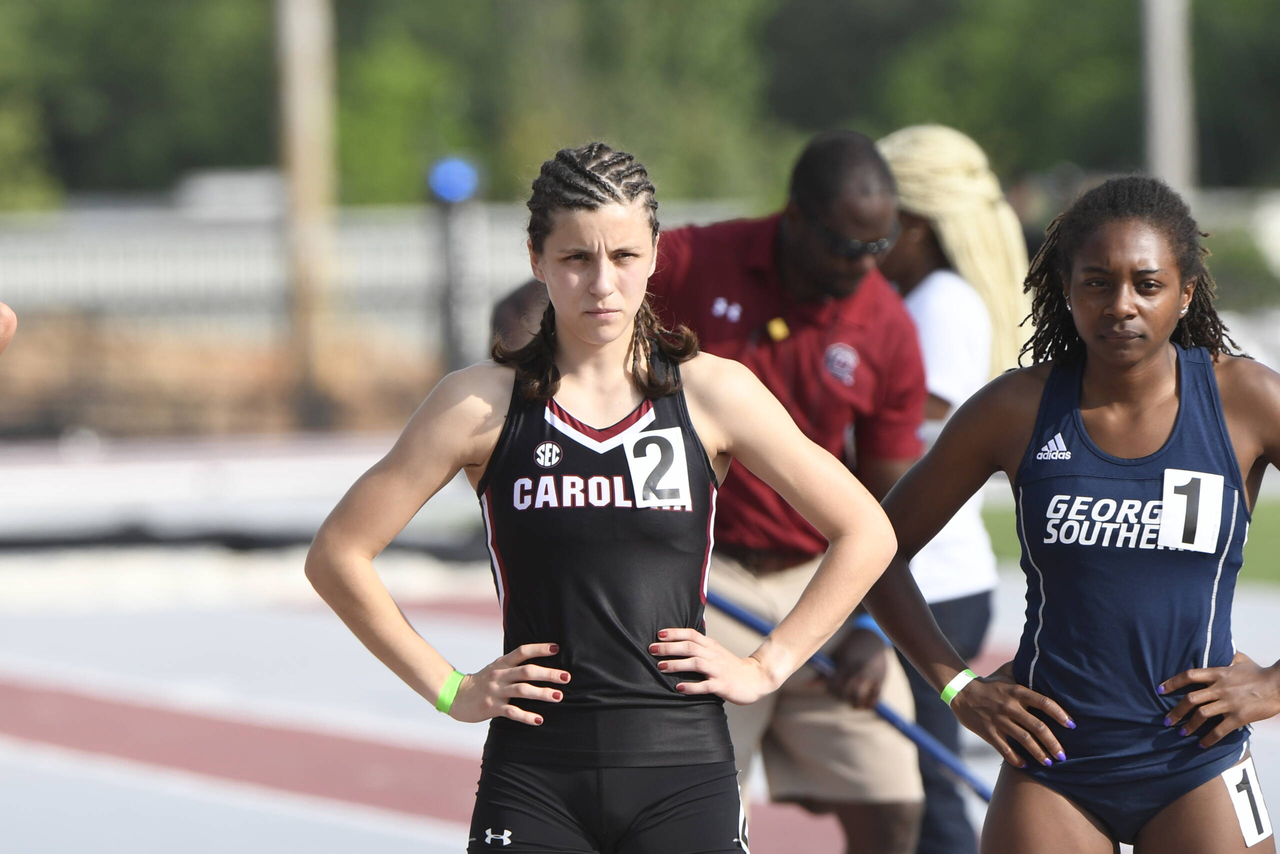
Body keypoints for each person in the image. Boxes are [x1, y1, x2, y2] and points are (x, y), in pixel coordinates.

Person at [307, 142, 898, 854]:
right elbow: (337, 555)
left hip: (683, 771)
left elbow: (868, 530)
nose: (602, 285)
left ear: (654, 252)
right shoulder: (476, 405)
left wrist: (767, 665)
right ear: (536, 260)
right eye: (575, 259)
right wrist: (448, 688)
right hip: (534, 777)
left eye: (622, 257)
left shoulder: (713, 393)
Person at [494, 130, 929, 853]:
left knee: (895, 798)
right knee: (696, 795)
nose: (861, 265)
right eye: (845, 246)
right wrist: (532, 366)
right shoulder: (700, 258)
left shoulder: (886, 323)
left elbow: (884, 510)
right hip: (701, 572)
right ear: (797, 218)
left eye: (877, 247)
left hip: (814, 573)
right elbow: (536, 300)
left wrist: (867, 626)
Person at [865, 175, 1280, 853]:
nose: (1121, 304)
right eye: (1097, 282)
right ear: (1067, 289)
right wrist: (958, 688)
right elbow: (875, 549)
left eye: (1147, 284)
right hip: (1053, 769)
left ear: (1186, 294)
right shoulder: (1015, 408)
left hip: (1196, 763)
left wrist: (1271, 686)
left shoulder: (1245, 400)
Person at [874, 124, 1029, 854]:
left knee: (930, 793)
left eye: (880, 221)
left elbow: (901, 434)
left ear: (915, 226)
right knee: (909, 788)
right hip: (938, 574)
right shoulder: (938, 295)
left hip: (926, 579)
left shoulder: (939, 300)